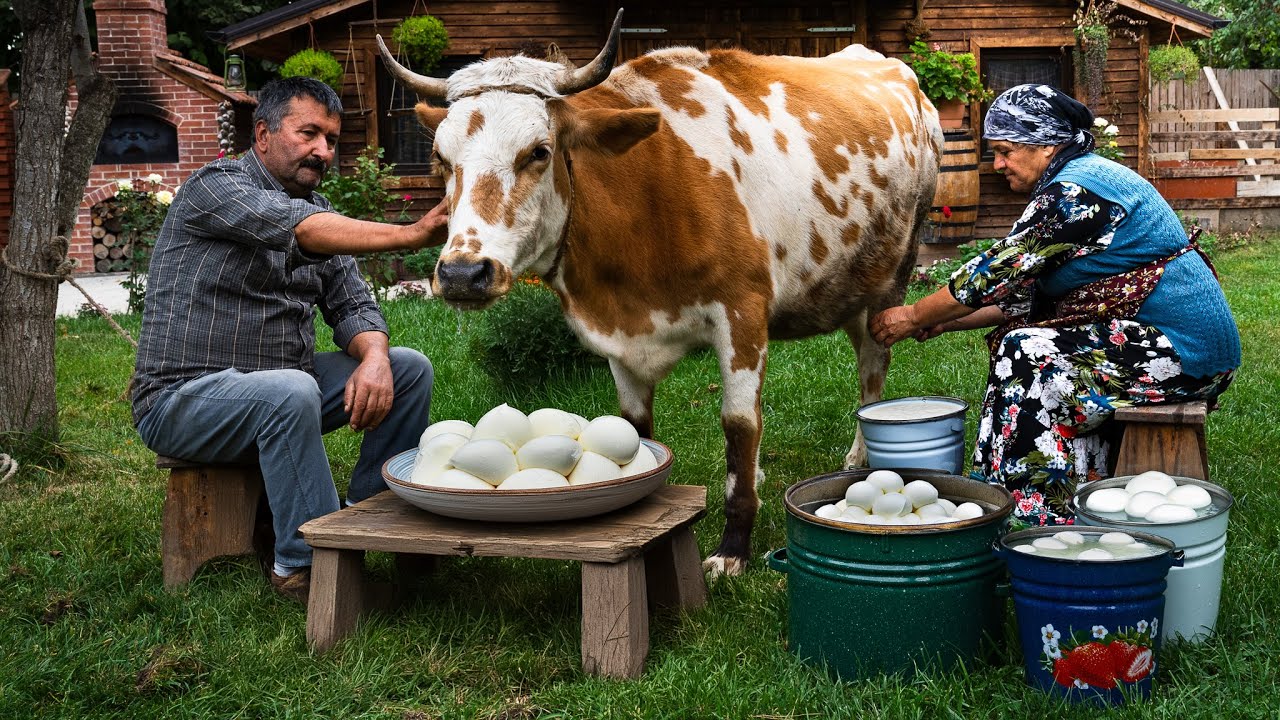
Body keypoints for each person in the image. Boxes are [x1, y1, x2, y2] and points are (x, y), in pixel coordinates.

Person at [131, 77, 449, 601]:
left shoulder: (319, 210)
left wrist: (374, 357)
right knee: (290, 390)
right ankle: (307, 566)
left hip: (282, 389)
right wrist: (410, 234)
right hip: (181, 400)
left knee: (408, 367)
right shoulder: (216, 186)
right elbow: (297, 228)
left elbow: (353, 306)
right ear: (263, 134)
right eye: (309, 134)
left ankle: (376, 520)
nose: (323, 151)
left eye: (331, 140)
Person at [870, 84, 1240, 527]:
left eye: (1005, 151)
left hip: (1188, 354)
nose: (997, 164)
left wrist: (912, 315)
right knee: (1032, 345)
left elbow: (994, 273)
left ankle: (1031, 515)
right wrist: (944, 323)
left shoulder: (1078, 193)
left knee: (1029, 352)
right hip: (1159, 345)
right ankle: (1061, 497)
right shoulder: (1079, 179)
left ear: (1046, 145)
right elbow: (1026, 296)